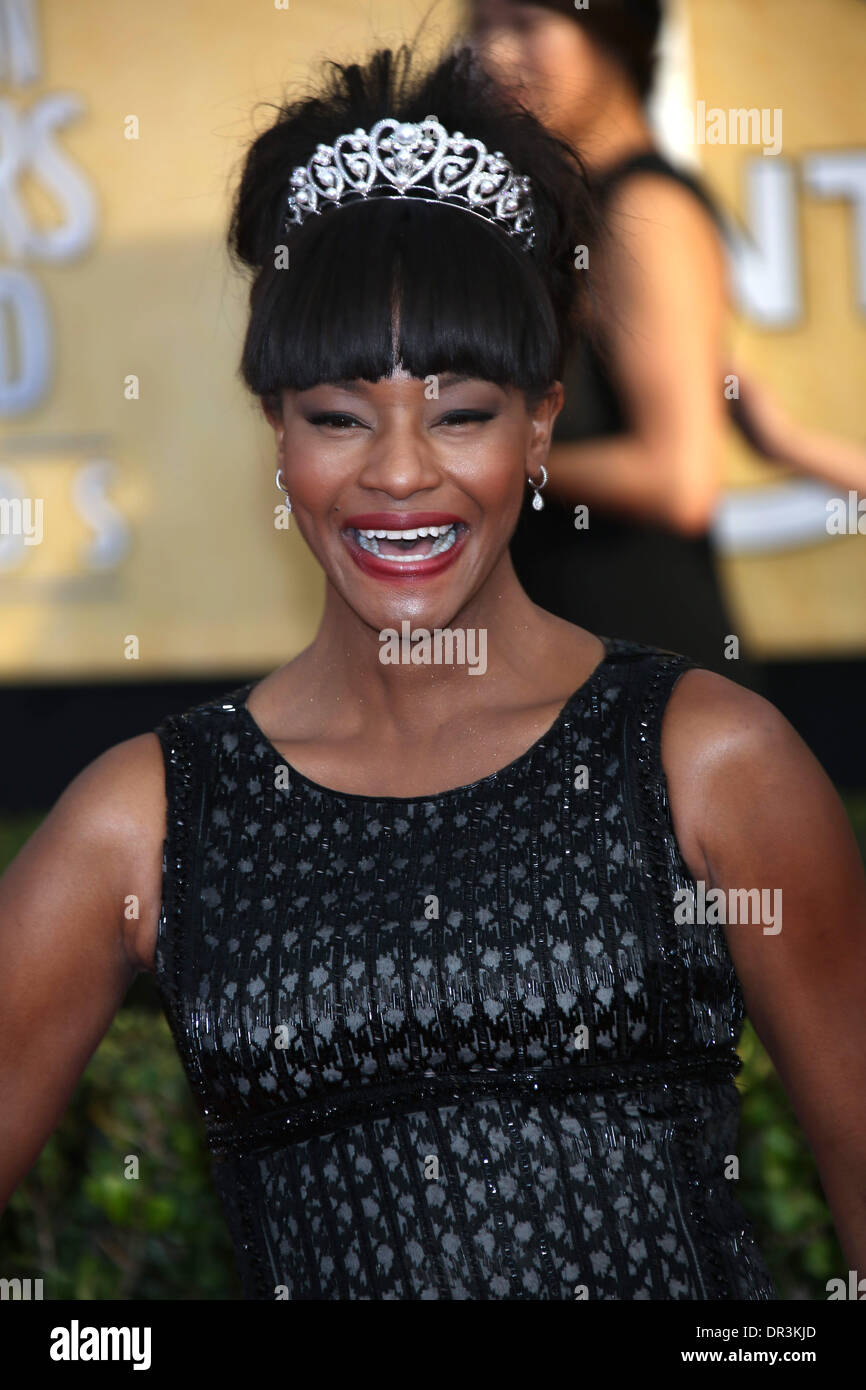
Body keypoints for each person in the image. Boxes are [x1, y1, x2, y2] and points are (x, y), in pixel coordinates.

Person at [1, 40, 865, 1302]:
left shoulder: (705, 759)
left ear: (541, 424)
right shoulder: (152, 815)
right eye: (338, 416)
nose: (398, 474)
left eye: (459, 411)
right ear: (276, 437)